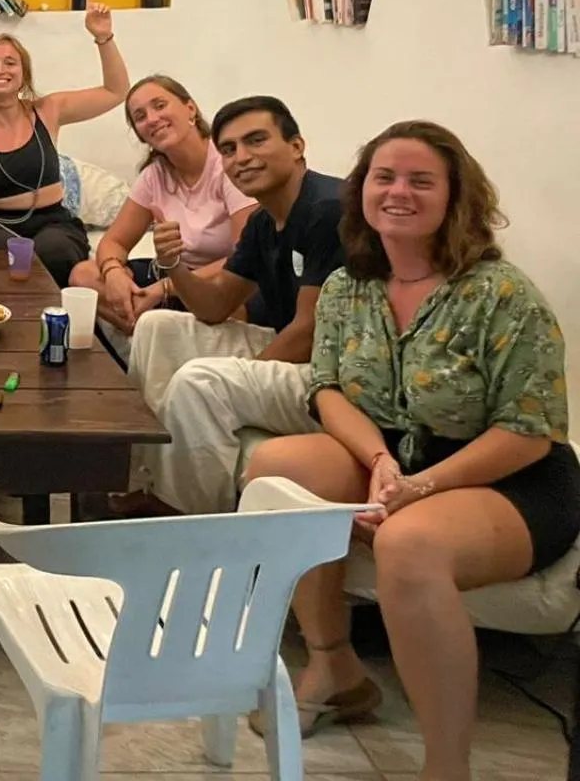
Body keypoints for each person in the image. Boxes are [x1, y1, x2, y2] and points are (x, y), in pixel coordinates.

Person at [244, 122, 577, 776]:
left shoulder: (501, 296)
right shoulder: (349, 286)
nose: (398, 191)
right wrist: (380, 461)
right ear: (361, 191)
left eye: (420, 180)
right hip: (397, 459)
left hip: (509, 476)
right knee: (281, 468)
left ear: (457, 197)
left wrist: (422, 486)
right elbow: (328, 389)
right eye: (383, 177)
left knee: (408, 542)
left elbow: (531, 429)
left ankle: (446, 765)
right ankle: (333, 662)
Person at [119, 95, 344, 516]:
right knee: (157, 328)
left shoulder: (326, 210)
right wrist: (174, 267)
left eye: (256, 141)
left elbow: (310, 331)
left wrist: (243, 372)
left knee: (200, 382)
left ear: (297, 146)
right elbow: (214, 306)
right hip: (291, 353)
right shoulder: (263, 222)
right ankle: (148, 482)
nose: (242, 157)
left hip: (332, 376)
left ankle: (192, 520)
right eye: (229, 149)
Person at [0, 6, 129, 285]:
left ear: (24, 74)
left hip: (52, 222)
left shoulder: (48, 111)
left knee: (54, 249)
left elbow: (116, 91)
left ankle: (54, 320)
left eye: (10, 62)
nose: (0, 70)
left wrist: (104, 37)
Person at [67, 75, 256, 333]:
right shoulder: (154, 176)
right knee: (83, 275)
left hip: (221, 281)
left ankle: (151, 327)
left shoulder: (227, 164)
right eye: (140, 116)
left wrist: (165, 288)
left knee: (230, 306)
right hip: (173, 273)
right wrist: (114, 273)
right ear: (141, 135)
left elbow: (244, 258)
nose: (152, 119)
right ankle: (144, 326)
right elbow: (115, 242)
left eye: (159, 105)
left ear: (190, 109)